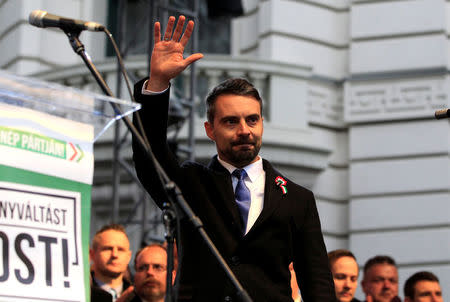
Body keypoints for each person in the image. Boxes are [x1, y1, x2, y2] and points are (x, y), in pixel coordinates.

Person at [132, 15, 336, 301]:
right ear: (210, 130)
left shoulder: (297, 199)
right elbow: (148, 156)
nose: (244, 131)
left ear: (262, 123)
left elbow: (317, 283)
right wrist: (157, 85)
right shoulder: (189, 184)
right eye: (230, 122)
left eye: (252, 120)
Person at [90, 224, 132, 302]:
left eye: (120, 249)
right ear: (92, 254)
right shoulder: (79, 292)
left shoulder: (138, 296)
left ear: (129, 256)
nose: (114, 254)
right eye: (108, 249)